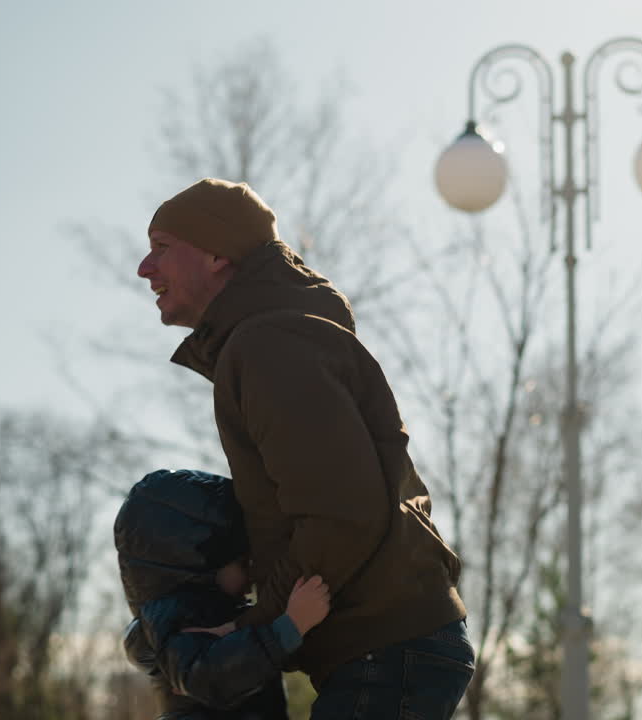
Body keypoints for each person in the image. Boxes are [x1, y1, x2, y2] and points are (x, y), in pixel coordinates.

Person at [136, 178, 473, 719]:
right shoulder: (271, 340)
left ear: (218, 253)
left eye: (162, 248)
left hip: (386, 645)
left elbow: (340, 512)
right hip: (386, 643)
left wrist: (259, 624)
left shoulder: (268, 346)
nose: (144, 269)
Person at [115, 468, 331, 719]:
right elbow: (210, 677)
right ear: (199, 564)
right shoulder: (180, 622)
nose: (250, 576)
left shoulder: (201, 611)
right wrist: (291, 626)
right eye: (241, 563)